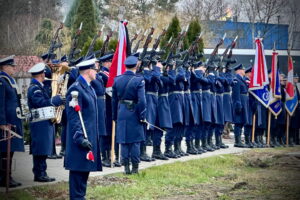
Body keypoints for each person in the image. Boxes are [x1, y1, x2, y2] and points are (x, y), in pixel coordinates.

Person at [65, 58, 102, 199]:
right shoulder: (76, 88)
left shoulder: (88, 86)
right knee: (78, 173)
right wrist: (79, 137)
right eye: (95, 69)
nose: (97, 73)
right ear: (88, 70)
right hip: (80, 139)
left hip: (88, 136)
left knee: (84, 173)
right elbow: (73, 116)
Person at [27, 62, 64, 182]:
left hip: (43, 122)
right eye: (43, 73)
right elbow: (40, 103)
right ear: (40, 75)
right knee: (40, 150)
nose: (44, 75)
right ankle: (39, 174)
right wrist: (53, 100)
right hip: (39, 122)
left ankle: (41, 172)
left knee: (42, 149)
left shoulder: (39, 87)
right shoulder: (34, 88)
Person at [112, 55, 146, 174]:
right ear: (136, 66)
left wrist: (114, 116)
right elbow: (142, 101)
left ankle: (126, 168)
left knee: (124, 140)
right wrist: (142, 116)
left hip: (121, 112)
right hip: (134, 113)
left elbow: (114, 101)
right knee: (135, 141)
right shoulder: (139, 80)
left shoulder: (117, 79)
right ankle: (135, 169)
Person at [0, 55, 24, 187]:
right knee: (5, 151)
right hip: (7, 122)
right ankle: (4, 178)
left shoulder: (9, 80)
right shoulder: (2, 81)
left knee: (10, 150)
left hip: (13, 120)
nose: (14, 68)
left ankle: (7, 176)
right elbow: (1, 103)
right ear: (5, 67)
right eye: (12, 66)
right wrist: (2, 122)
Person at [232, 63, 250, 147]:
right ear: (238, 71)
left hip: (244, 101)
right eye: (243, 69)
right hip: (239, 102)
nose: (244, 71)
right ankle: (237, 141)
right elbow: (236, 93)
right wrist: (238, 104)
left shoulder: (242, 79)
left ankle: (239, 141)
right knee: (238, 122)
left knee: (242, 121)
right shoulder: (236, 79)